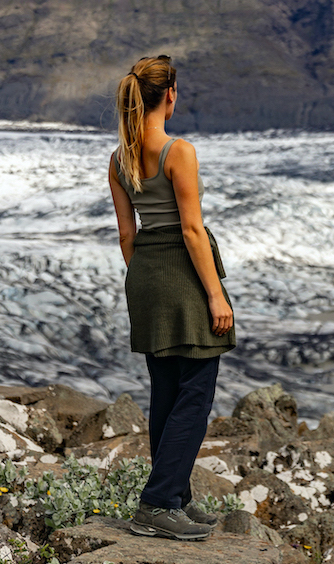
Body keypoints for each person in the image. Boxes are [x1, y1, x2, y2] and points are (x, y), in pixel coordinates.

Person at [108, 55, 236, 541]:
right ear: (171, 96)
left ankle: (175, 496)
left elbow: (126, 235)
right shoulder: (178, 151)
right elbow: (192, 230)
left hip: (145, 275)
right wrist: (215, 296)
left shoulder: (119, 159)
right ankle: (158, 503)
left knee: (165, 391)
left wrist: (147, 281)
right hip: (182, 274)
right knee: (196, 392)